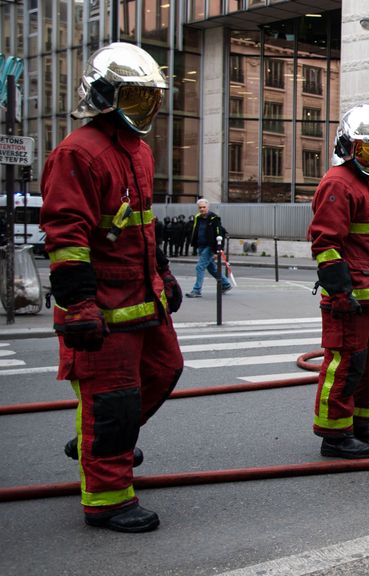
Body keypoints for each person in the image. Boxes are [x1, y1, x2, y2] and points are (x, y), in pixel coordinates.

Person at [40, 42, 184, 533]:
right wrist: (78, 304)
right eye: (135, 97)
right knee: (113, 398)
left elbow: (140, 227)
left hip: (141, 298)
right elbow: (66, 238)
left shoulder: (138, 151)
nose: (146, 108)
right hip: (100, 305)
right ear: (104, 97)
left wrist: (163, 276)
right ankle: (108, 499)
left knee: (166, 369)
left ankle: (102, 440)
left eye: (150, 97)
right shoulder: (78, 153)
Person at [307, 104, 369, 459]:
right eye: (367, 149)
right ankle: (334, 433)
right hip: (349, 298)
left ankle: (360, 422)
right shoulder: (337, 183)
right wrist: (340, 291)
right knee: (345, 364)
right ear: (348, 146)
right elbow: (326, 244)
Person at [185, 198, 231, 298]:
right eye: (200, 207)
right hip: (201, 246)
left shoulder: (214, 219)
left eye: (204, 207)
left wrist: (218, 250)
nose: (202, 209)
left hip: (210, 247)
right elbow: (196, 231)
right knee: (212, 268)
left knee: (200, 267)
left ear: (208, 207)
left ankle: (196, 290)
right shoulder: (198, 217)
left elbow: (219, 234)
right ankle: (226, 284)